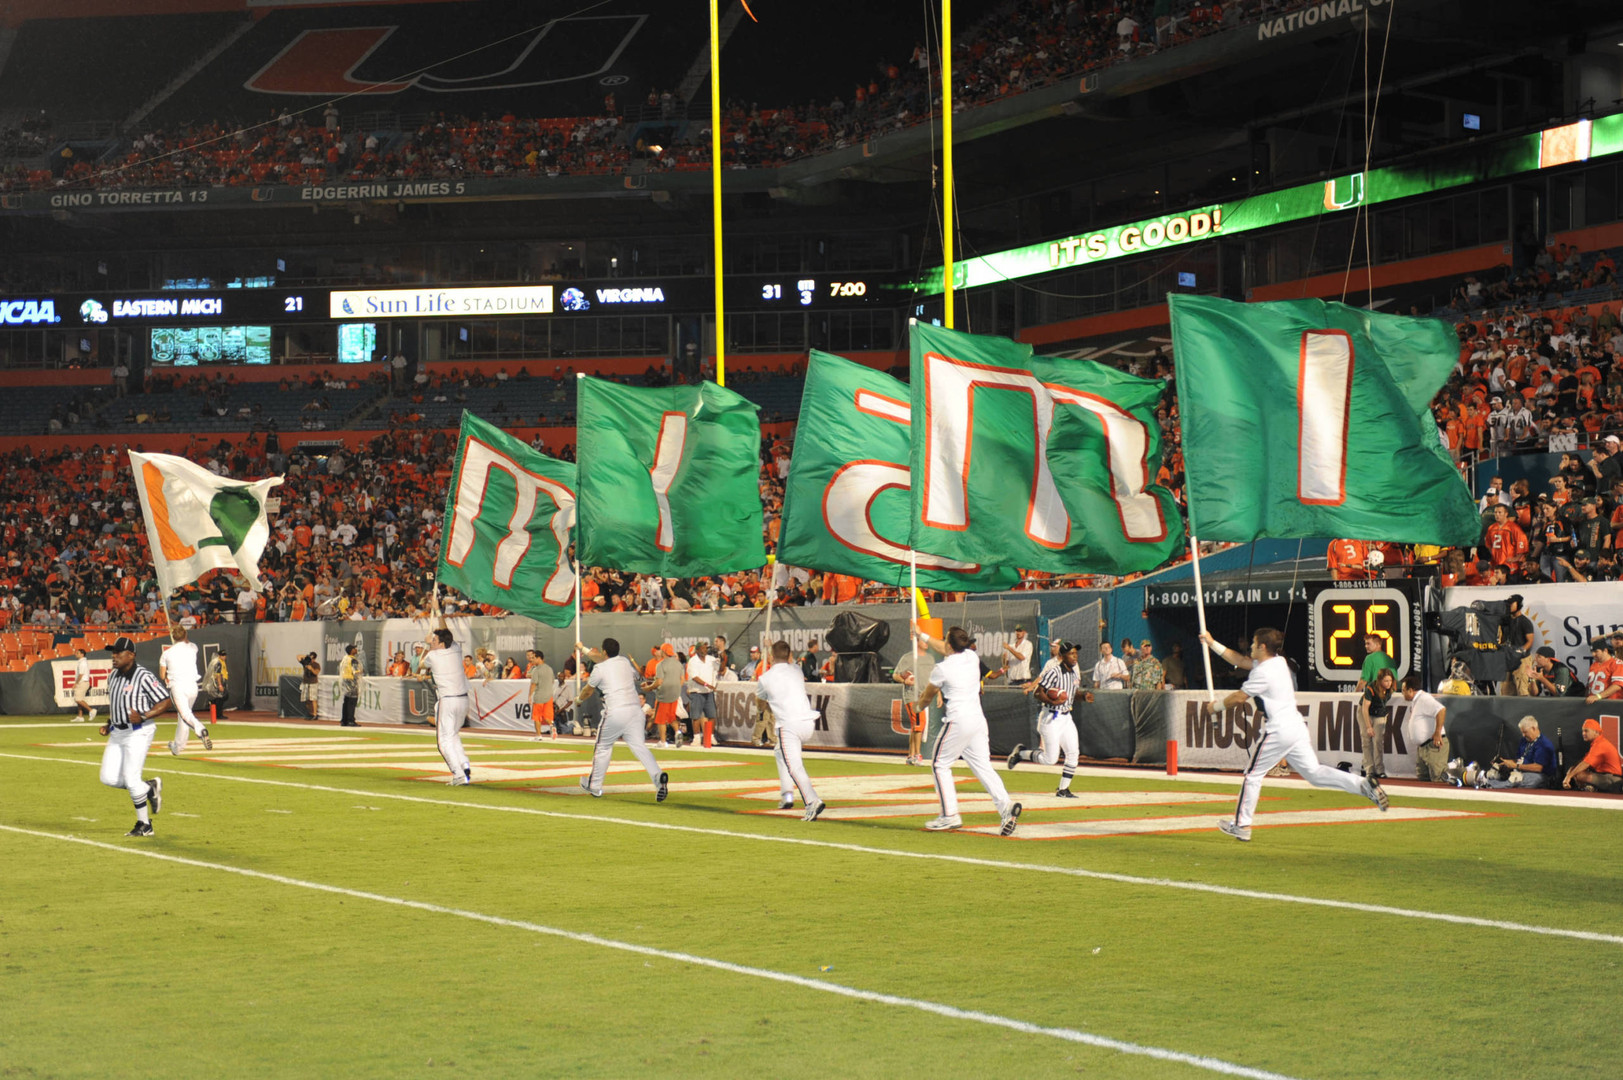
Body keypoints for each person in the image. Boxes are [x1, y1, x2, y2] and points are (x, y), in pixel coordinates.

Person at [1200, 628, 1386, 842]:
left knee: (1252, 774)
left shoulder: (1263, 672)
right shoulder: (1278, 661)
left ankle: (1242, 825)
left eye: (1253, 643)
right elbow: (1241, 660)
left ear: (1262, 647)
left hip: (1278, 729)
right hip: (1296, 727)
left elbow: (1239, 698)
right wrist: (1212, 643)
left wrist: (1215, 708)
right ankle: (1363, 786)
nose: (1250, 647)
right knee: (1314, 774)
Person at [912, 625, 1022, 835]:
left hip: (958, 720)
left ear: (948, 644)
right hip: (978, 721)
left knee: (939, 764)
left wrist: (917, 707)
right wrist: (921, 634)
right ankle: (1006, 807)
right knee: (983, 766)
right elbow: (944, 647)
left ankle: (949, 815)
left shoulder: (942, 668)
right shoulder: (971, 656)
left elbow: (927, 697)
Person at [575, 636, 668, 801]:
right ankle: (658, 778)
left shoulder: (599, 669)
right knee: (640, 747)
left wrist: (579, 700)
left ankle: (595, 785)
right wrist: (583, 649)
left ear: (604, 651)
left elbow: (588, 691)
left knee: (603, 747)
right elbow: (604, 660)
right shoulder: (624, 661)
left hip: (616, 711)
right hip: (635, 711)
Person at [100, 636, 174, 837]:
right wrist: (109, 723)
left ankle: (145, 825)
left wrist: (143, 715)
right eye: (113, 652)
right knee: (108, 778)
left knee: (131, 779)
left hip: (139, 731)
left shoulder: (143, 676)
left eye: (118, 653)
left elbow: (165, 701)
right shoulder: (113, 676)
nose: (114, 656)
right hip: (118, 732)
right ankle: (149, 788)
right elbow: (116, 704)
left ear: (131, 655)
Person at [755, 640, 825, 821]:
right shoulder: (796, 670)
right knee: (780, 753)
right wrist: (772, 649)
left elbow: (760, 705)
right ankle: (787, 794)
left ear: (770, 657)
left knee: (794, 766)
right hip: (808, 722)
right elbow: (789, 658)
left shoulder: (765, 678)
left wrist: (764, 698)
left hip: (789, 726)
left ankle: (812, 801)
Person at [1006, 640, 1084, 797]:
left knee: (1073, 753)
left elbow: (1071, 694)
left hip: (1066, 717)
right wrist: (1053, 701)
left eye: (1076, 653)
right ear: (1062, 656)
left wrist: (1084, 696)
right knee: (1050, 759)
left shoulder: (1074, 673)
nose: (1075, 656)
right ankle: (1021, 754)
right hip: (1051, 718)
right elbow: (1037, 692)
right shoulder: (1053, 672)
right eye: (1071, 653)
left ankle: (1063, 789)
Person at [417, 601, 474, 785]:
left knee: (443, 740)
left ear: (440, 643)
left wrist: (427, 646)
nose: (432, 642)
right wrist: (437, 611)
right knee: (453, 734)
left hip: (448, 700)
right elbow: (446, 632)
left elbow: (419, 664)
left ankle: (458, 773)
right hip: (463, 699)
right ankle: (464, 764)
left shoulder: (433, 655)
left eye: (434, 640)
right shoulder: (455, 649)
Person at [160, 626, 210, 754]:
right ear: (185, 635)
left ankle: (200, 729)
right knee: (184, 716)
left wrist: (167, 676)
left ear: (173, 637)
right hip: (193, 686)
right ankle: (177, 747)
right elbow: (187, 642)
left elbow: (162, 674)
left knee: (186, 715)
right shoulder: (193, 647)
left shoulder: (166, 653)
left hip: (178, 687)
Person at [893, 634, 936, 766]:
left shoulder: (930, 659)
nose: (926, 643)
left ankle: (911, 755)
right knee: (919, 723)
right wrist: (904, 680)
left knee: (916, 726)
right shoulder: (907, 658)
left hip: (924, 696)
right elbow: (896, 675)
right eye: (923, 641)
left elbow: (934, 679)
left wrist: (937, 694)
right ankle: (917, 755)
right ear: (917, 642)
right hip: (913, 695)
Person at [1479, 716, 1556, 789]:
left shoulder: (1544, 744)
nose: (1523, 735)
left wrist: (1515, 766)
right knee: (1500, 772)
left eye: (1525, 732)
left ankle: (1490, 784)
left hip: (1541, 776)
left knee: (1516, 777)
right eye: (1522, 732)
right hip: (1522, 771)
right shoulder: (1524, 741)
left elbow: (1538, 768)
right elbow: (1520, 760)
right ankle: (1484, 779)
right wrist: (1507, 762)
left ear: (1533, 728)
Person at [1399, 674, 1449, 784]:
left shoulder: (1424, 699)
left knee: (1439, 778)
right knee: (1423, 778)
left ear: (1411, 690)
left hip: (1433, 745)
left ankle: (1459, 773)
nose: (1402, 693)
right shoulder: (1416, 701)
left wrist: (1437, 732)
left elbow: (1441, 710)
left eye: (1403, 690)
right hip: (1424, 747)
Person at [1563, 718, 1622, 792]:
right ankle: (1588, 788)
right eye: (1583, 731)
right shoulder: (1596, 744)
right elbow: (1582, 762)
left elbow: (1585, 764)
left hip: (1613, 780)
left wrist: (1568, 776)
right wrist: (1571, 770)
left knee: (1579, 774)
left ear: (1596, 732)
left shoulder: (1601, 744)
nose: (1583, 733)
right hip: (1605, 777)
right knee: (1575, 770)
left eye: (1586, 731)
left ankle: (1589, 788)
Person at [1360, 667, 1397, 779]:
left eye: (1390, 680)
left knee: (1378, 741)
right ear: (1380, 680)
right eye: (1386, 681)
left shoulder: (1391, 688)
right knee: (1366, 740)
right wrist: (1368, 726)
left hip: (1380, 712)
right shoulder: (1371, 688)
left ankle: (1380, 769)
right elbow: (1365, 709)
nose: (1388, 683)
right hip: (1366, 711)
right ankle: (1369, 769)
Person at [647, 643, 684, 747]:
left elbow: (659, 682)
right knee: (671, 717)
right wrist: (676, 688)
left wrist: (648, 688)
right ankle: (678, 732)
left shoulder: (661, 665)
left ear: (663, 652)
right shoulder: (679, 664)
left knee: (661, 719)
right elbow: (682, 679)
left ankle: (663, 742)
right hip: (675, 695)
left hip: (663, 695)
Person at [684, 638, 718, 746]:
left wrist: (722, 656)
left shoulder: (711, 659)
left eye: (706, 648)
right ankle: (696, 738)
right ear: (698, 650)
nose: (705, 650)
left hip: (709, 692)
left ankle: (711, 736)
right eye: (703, 648)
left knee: (711, 715)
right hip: (697, 692)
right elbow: (694, 677)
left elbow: (720, 667)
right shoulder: (693, 661)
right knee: (696, 716)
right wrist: (707, 684)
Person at [527, 649, 556, 740]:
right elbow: (552, 681)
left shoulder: (536, 670)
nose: (532, 660)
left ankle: (539, 735)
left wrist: (530, 696)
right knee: (547, 716)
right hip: (549, 695)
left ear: (539, 658)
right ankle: (552, 726)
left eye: (534, 658)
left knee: (537, 717)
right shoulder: (549, 668)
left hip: (539, 696)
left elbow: (533, 684)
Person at [1584, 638, 1623, 704]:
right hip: (1593, 704)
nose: (1593, 654)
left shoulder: (1617, 663)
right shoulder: (1593, 665)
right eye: (1592, 652)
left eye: (1596, 651)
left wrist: (1598, 696)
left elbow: (1618, 685)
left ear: (1605, 650)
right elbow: (1589, 686)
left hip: (1611, 704)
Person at [70, 646, 96, 725]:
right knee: (79, 700)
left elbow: (81, 674)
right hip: (82, 682)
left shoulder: (83, 663)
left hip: (82, 682)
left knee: (78, 699)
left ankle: (91, 710)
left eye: (77, 653)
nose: (76, 654)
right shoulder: (81, 662)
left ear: (82, 654)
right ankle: (80, 716)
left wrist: (76, 683)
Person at [338, 644, 361, 727]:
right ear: (352, 650)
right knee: (352, 702)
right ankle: (350, 720)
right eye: (355, 648)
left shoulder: (345, 659)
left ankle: (344, 720)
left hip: (345, 680)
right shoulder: (353, 660)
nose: (356, 649)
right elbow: (356, 672)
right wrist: (361, 672)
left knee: (346, 701)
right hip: (351, 681)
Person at [299, 650, 321, 720]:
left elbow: (316, 673)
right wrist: (306, 657)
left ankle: (315, 714)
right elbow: (298, 657)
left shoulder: (316, 665)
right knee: (306, 699)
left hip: (313, 683)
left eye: (312, 658)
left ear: (314, 659)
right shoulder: (306, 662)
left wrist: (311, 669)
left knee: (313, 699)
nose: (311, 660)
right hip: (305, 682)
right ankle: (310, 713)